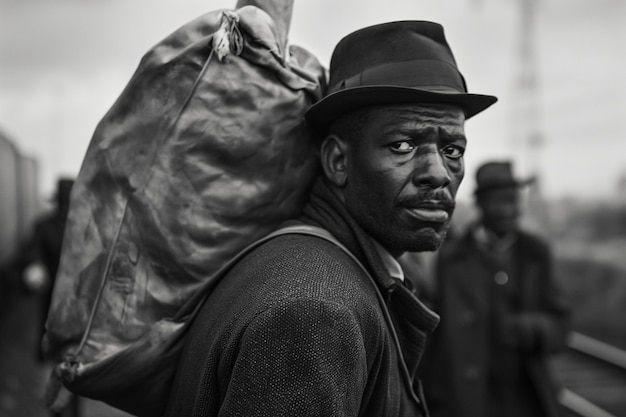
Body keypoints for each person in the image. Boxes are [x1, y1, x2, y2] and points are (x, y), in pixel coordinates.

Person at [165, 21, 496, 416]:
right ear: (338, 161)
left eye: (453, 150)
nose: (439, 173)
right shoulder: (315, 313)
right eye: (402, 145)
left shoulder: (309, 265)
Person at [417, 161, 570, 417]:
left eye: (512, 201)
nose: (507, 210)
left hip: (524, 402)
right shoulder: (450, 258)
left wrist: (529, 328)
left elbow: (561, 324)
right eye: (498, 202)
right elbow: (432, 331)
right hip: (464, 401)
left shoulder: (535, 254)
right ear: (481, 204)